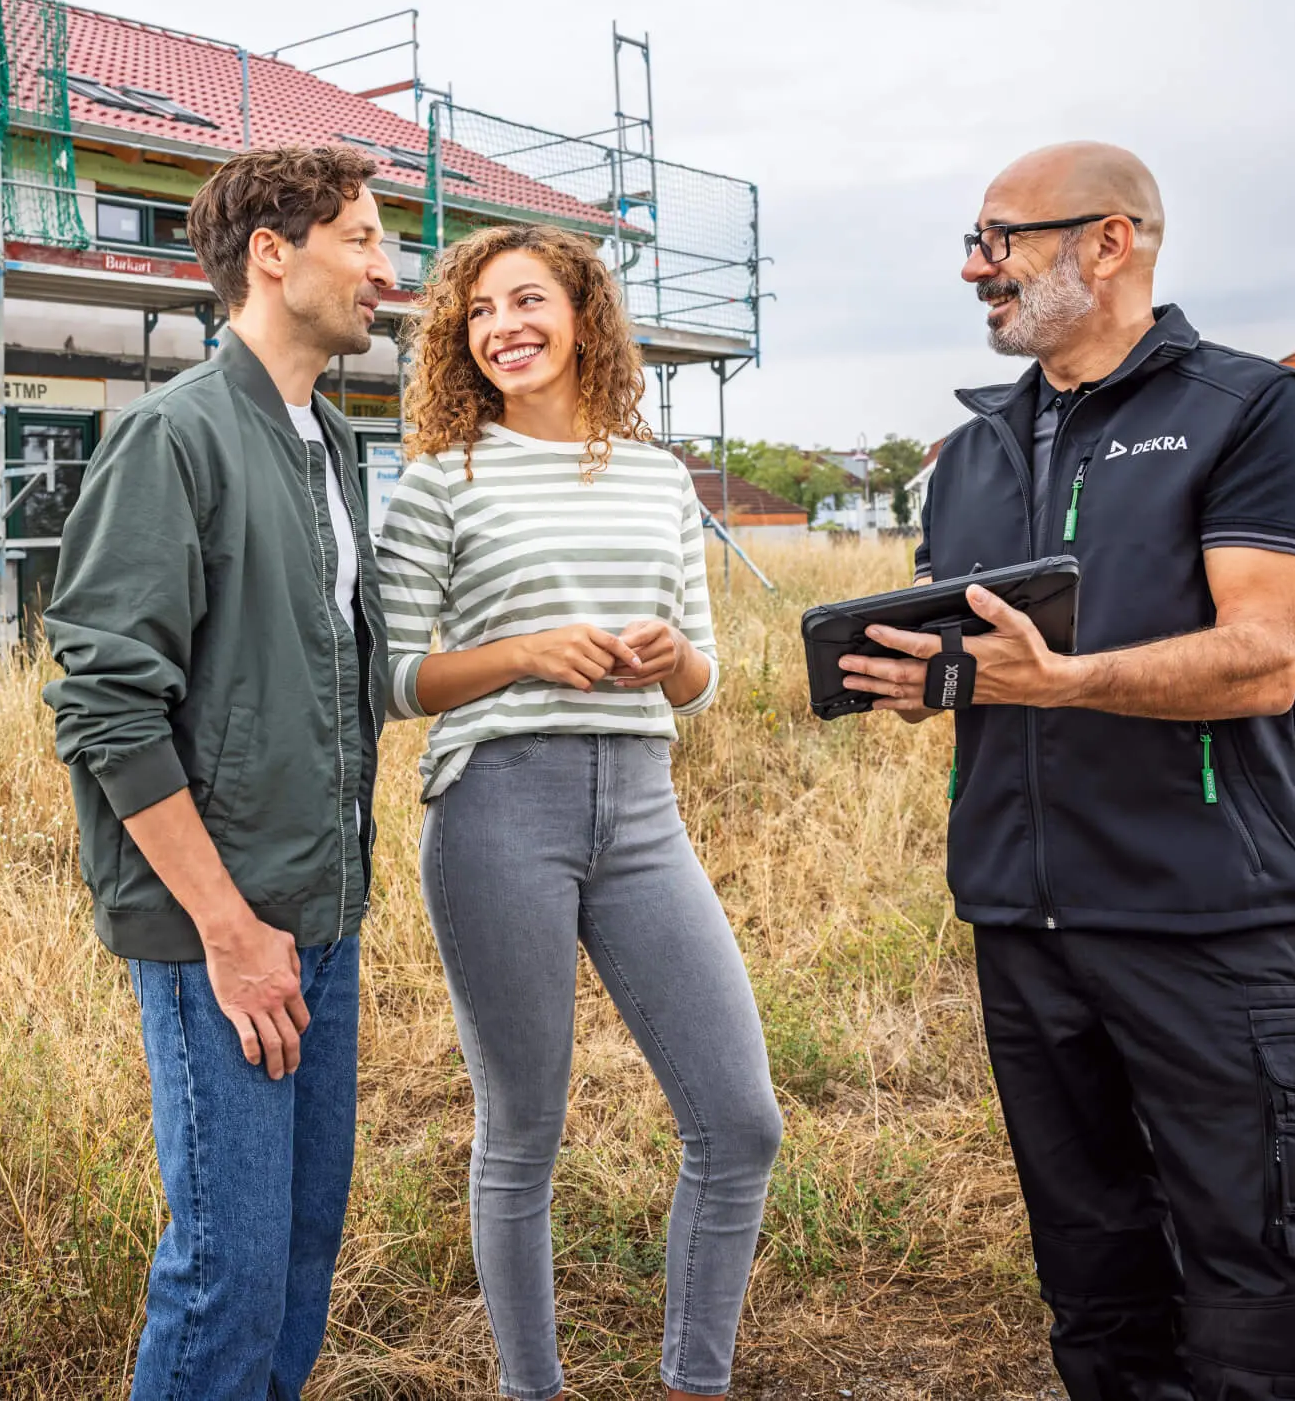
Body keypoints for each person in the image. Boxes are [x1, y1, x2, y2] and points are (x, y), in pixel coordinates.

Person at [840, 143, 1295, 1400]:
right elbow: (996, 661)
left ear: (1111, 240)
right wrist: (923, 681)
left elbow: (1262, 658)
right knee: (1097, 1292)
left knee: (1271, 1290)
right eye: (971, 239)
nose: (974, 265)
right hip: (1024, 927)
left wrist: (1066, 681)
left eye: (1001, 236)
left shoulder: (1251, 410)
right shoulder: (970, 450)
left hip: (1212, 918)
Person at [376, 224, 782, 1401]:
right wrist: (517, 654)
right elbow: (394, 681)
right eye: (478, 313)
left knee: (739, 1120)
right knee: (523, 1130)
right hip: (498, 806)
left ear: (583, 314)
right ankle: (531, 1389)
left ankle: (692, 1383)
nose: (502, 326)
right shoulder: (440, 478)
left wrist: (665, 659)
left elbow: (702, 674)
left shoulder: (659, 477)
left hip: (644, 808)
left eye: (526, 300)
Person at [42, 144, 392, 1401]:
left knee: (298, 1258)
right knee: (226, 1277)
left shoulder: (335, 443)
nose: (384, 270)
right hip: (223, 932)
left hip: (320, 916)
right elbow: (105, 702)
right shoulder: (171, 436)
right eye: (360, 237)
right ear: (271, 253)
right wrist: (229, 925)